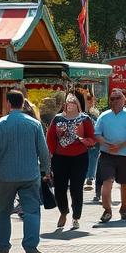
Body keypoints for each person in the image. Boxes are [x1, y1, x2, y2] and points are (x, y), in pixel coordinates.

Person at [0, 90, 51, 253]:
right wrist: (46, 169)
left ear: (8, 103)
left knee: (2, 212)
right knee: (32, 212)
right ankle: (30, 247)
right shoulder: (34, 124)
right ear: (22, 104)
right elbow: (43, 151)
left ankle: (3, 247)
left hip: (5, 176)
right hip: (30, 174)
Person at [46, 92, 96, 229]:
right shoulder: (57, 119)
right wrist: (49, 155)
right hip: (60, 157)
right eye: (68, 102)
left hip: (79, 157)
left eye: (73, 102)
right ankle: (63, 211)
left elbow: (92, 139)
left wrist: (83, 140)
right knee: (60, 188)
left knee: (76, 188)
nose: (70, 104)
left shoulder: (85, 119)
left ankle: (76, 217)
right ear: (64, 104)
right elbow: (50, 138)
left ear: (78, 105)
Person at [94, 89, 126, 223]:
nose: (115, 101)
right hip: (107, 154)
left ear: (123, 100)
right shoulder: (104, 116)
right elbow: (96, 134)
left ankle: (124, 208)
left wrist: (121, 145)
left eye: (117, 98)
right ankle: (107, 210)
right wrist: (106, 143)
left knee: (125, 184)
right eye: (112, 99)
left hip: (125, 155)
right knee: (107, 181)